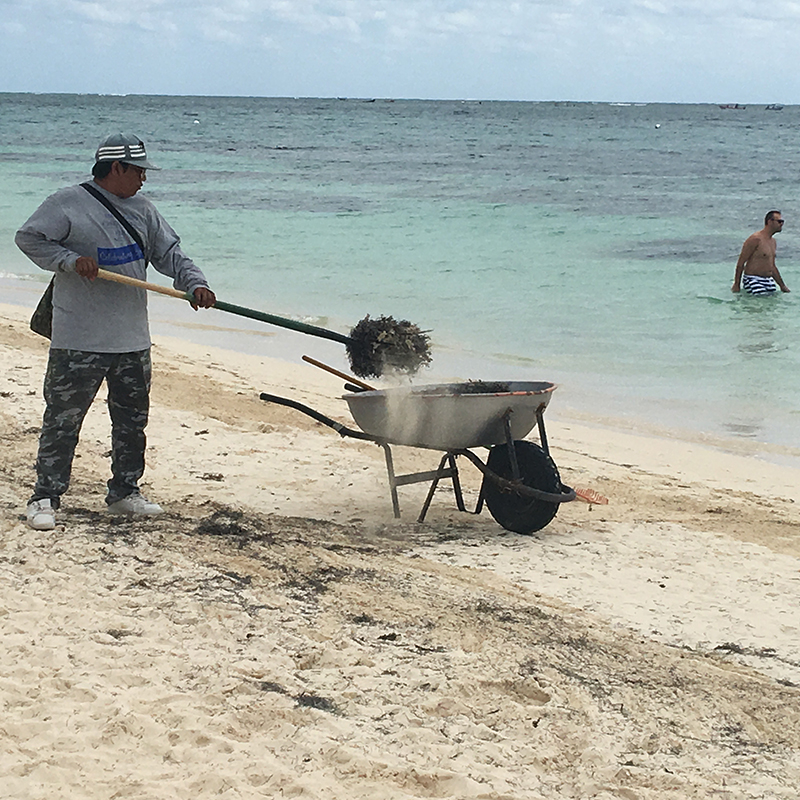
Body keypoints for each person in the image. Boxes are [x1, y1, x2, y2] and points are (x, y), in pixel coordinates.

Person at [16, 133, 217, 531]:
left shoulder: (143, 209)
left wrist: (195, 284)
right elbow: (29, 238)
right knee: (63, 420)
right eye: (139, 171)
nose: (144, 178)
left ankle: (125, 492)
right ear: (116, 168)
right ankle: (44, 496)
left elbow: (171, 254)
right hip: (78, 339)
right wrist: (70, 261)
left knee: (131, 421)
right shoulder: (66, 203)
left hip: (131, 339)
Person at [732, 211, 791, 295]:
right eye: (779, 221)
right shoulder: (755, 239)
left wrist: (782, 286)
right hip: (753, 279)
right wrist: (736, 284)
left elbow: (772, 266)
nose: (781, 224)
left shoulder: (773, 242)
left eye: (782, 222)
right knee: (759, 303)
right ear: (770, 221)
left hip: (768, 280)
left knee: (771, 305)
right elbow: (741, 262)